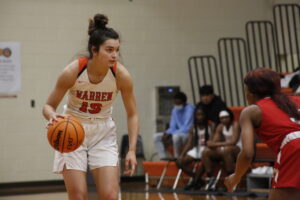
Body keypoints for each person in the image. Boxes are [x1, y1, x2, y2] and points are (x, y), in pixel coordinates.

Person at [42, 14, 139, 200]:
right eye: (109, 50)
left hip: (103, 132)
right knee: (78, 196)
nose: (115, 55)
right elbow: (48, 105)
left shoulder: (121, 75)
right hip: (72, 128)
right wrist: (52, 116)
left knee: (110, 195)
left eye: (117, 50)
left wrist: (132, 150)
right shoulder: (74, 71)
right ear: (94, 50)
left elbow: (132, 114)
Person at [225, 68, 300, 200]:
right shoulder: (296, 100)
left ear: (250, 93)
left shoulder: (251, 111)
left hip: (294, 150)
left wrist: (236, 176)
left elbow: (247, 153)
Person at [202, 109, 241, 190]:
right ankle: (210, 179)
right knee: (205, 152)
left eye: (226, 117)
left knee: (226, 150)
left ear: (230, 117)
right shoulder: (220, 126)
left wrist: (215, 144)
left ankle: (231, 179)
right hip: (227, 150)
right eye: (222, 118)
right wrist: (212, 143)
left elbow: (233, 142)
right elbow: (213, 142)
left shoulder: (235, 125)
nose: (224, 120)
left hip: (239, 150)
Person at [176, 106, 212, 190]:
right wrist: (182, 154)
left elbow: (213, 140)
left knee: (205, 157)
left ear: (205, 115)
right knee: (179, 162)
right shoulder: (193, 127)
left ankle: (195, 181)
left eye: (201, 114)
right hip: (197, 149)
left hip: (208, 150)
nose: (199, 117)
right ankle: (197, 178)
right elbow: (189, 143)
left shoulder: (211, 126)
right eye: (197, 115)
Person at [153, 92, 195, 159]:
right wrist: (167, 132)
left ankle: (177, 157)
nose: (177, 105)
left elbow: (186, 128)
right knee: (156, 137)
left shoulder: (190, 109)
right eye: (175, 103)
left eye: (179, 103)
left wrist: (171, 133)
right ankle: (163, 158)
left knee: (176, 137)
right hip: (177, 132)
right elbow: (173, 126)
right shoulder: (175, 110)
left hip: (187, 134)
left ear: (184, 103)